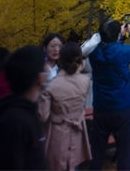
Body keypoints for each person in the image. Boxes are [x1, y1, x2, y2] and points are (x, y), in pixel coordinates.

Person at [88, 18, 130, 171]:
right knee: (124, 150)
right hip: (121, 108)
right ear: (116, 35)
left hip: (100, 107)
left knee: (97, 149)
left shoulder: (94, 52)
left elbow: (107, 49)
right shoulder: (122, 52)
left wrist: (116, 36)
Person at [0, 45, 47, 169]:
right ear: (38, 78)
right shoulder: (13, 121)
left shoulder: (26, 112)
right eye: (44, 70)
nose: (47, 75)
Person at [38, 41, 92, 171]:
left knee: (58, 164)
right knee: (74, 163)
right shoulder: (85, 81)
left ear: (61, 61)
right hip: (77, 129)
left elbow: (43, 116)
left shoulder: (51, 87)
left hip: (58, 132)